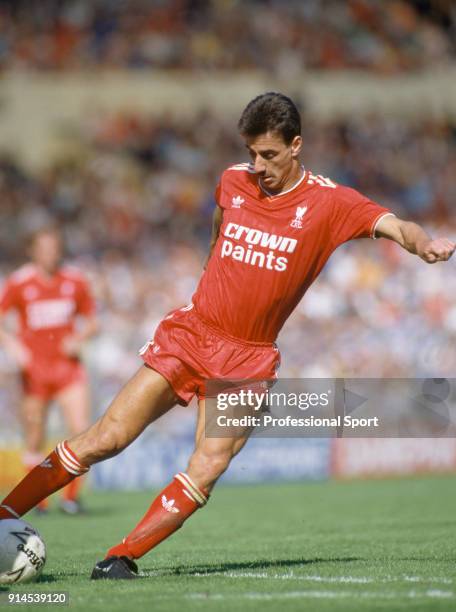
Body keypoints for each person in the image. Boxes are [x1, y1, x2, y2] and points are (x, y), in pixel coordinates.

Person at [0, 93, 454, 579]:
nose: (257, 165)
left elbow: (394, 225)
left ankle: (121, 557)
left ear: (296, 145)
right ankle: (4, 514)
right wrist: (210, 269)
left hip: (248, 360)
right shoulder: (233, 180)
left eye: (270, 155)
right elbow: (218, 229)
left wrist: (424, 244)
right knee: (105, 438)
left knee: (209, 464)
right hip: (193, 334)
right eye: (251, 152)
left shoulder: (331, 202)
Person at [0, 226, 98, 515]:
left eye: (54, 248)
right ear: (33, 251)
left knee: (81, 430)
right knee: (34, 434)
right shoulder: (20, 282)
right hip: (36, 371)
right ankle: (39, 501)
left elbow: (92, 320)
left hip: (68, 369)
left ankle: (71, 498)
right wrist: (14, 345)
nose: (49, 254)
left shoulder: (74, 281)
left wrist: (79, 338)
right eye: (43, 248)